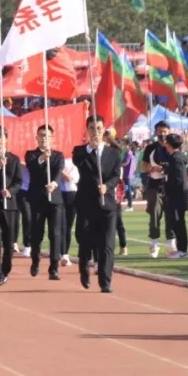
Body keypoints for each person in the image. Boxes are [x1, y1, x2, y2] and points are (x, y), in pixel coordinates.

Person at [72, 116, 122, 293]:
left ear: (104, 130)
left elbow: (115, 176)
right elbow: (80, 164)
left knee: (107, 245)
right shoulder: (80, 151)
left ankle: (105, 281)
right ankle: (84, 267)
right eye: (92, 128)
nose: (96, 132)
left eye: (99, 128)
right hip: (86, 204)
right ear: (87, 130)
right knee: (85, 241)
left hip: (107, 205)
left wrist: (107, 186)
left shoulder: (113, 153)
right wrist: (90, 149)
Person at [24, 125, 64, 281]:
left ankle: (54, 267)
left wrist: (54, 183)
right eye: (41, 135)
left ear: (52, 138)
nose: (44, 138)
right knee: (36, 234)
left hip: (54, 199)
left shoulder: (58, 155)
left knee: (55, 233)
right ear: (36, 137)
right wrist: (42, 157)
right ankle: (35, 259)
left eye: (47, 135)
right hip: (37, 199)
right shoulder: (31, 155)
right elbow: (32, 168)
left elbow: (59, 171)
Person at [0, 125, 21, 286]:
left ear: (6, 139)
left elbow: (18, 181)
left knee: (9, 241)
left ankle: (6, 268)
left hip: (10, 205)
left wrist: (10, 191)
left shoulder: (14, 159)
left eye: (0, 136)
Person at [141, 121, 174, 258]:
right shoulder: (150, 148)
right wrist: (151, 169)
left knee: (171, 214)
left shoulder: (173, 147)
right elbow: (143, 165)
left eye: (165, 132)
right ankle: (154, 243)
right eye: (160, 132)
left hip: (170, 185)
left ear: (169, 132)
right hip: (154, 185)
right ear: (156, 132)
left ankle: (171, 244)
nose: (162, 134)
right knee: (154, 214)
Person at [162, 134, 188, 260]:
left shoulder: (176, 159)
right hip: (177, 196)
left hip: (177, 197)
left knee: (179, 224)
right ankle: (180, 249)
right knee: (176, 223)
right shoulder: (176, 158)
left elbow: (178, 179)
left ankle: (182, 250)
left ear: (169, 144)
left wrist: (168, 189)